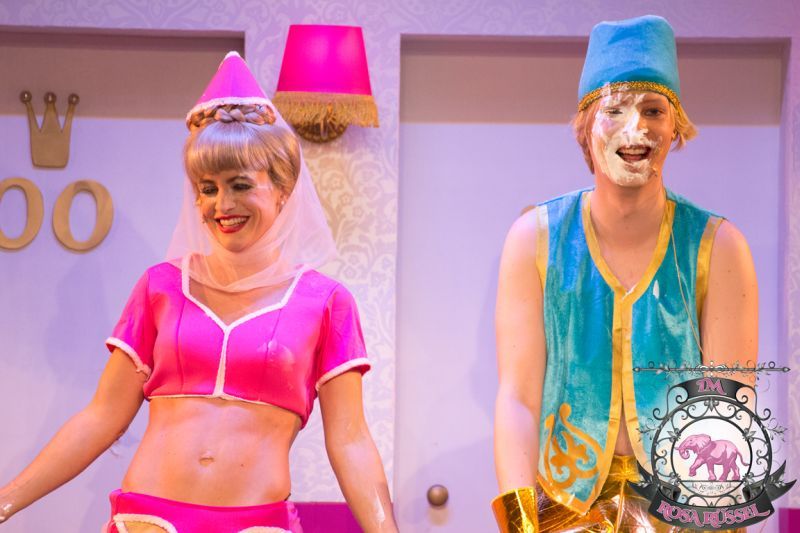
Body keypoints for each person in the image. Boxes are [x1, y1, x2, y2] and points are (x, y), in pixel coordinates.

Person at [0, 51, 397, 533]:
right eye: (207, 188)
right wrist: (6, 501)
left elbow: (350, 440)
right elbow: (102, 417)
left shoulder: (326, 302)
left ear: (282, 188)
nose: (221, 204)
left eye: (239, 185)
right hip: (148, 521)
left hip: (258, 524)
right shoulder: (160, 287)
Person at [492, 15, 757, 532]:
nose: (636, 128)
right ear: (586, 126)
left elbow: (729, 407)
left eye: (653, 109)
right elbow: (517, 399)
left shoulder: (719, 246)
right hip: (559, 508)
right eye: (614, 110)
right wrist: (521, 526)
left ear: (675, 127)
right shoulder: (534, 239)